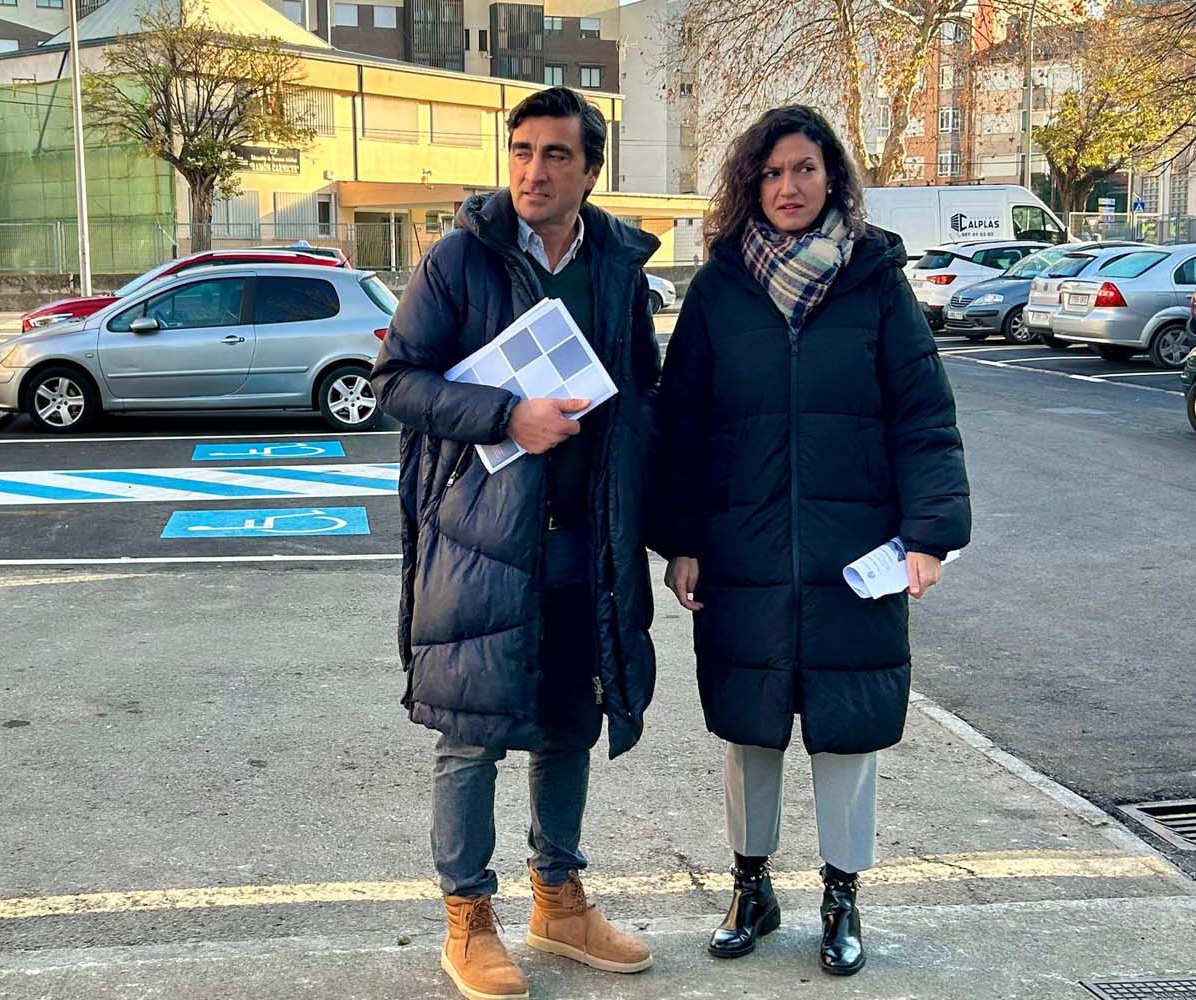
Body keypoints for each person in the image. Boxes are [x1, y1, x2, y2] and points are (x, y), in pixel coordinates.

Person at [649, 105, 971, 976]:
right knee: (748, 730)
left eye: (803, 170)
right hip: (740, 549)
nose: (787, 188)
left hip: (851, 553)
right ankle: (749, 886)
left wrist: (930, 534)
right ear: (750, 185)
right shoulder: (719, 288)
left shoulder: (874, 283)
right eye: (772, 173)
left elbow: (922, 417)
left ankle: (842, 897)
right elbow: (681, 426)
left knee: (846, 734)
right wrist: (680, 539)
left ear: (831, 178)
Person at [372, 86, 660, 1000]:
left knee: (569, 721)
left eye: (556, 155)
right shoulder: (458, 259)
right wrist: (507, 413)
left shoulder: (617, 265)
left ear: (590, 168)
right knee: (469, 735)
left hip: (586, 539)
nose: (535, 171)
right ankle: (467, 918)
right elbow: (397, 382)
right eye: (523, 151)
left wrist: (659, 524)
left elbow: (641, 397)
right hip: (476, 534)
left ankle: (559, 900)